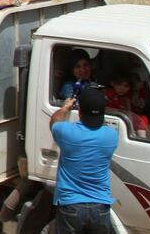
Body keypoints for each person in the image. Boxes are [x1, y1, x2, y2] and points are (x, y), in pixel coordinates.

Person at [50, 87, 118, 234]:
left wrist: (66, 107)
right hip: (101, 206)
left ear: (79, 113)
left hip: (71, 205)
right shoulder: (112, 136)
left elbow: (54, 122)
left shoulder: (66, 133)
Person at [105, 72, 149, 138]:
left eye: (126, 86)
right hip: (112, 121)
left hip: (125, 120)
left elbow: (129, 111)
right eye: (119, 85)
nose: (122, 88)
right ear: (112, 83)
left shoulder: (127, 97)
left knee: (143, 118)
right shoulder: (107, 95)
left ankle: (142, 138)